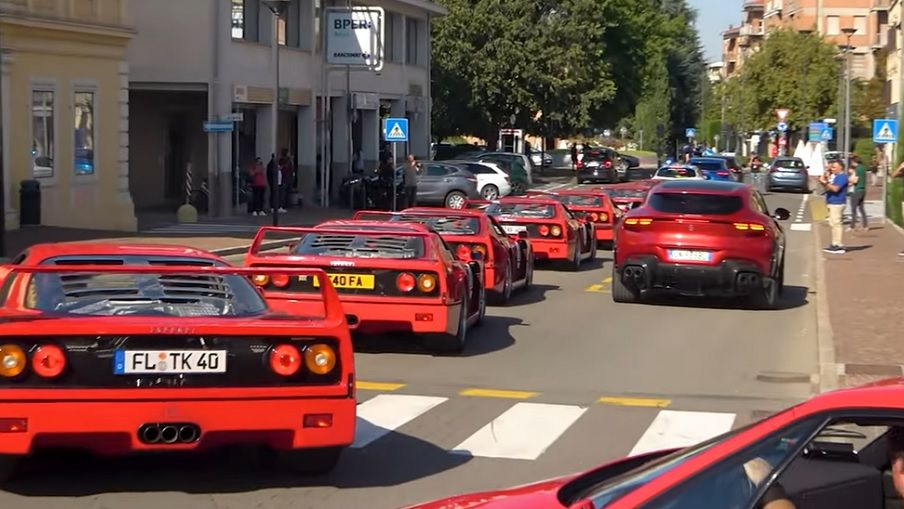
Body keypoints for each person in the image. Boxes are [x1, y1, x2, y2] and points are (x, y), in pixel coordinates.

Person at [819, 160, 849, 254]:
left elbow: (835, 189)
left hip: (837, 202)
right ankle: (834, 243)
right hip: (832, 202)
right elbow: (826, 185)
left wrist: (825, 182)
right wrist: (825, 176)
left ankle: (838, 245)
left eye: (834, 167)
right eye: (832, 167)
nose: (833, 169)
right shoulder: (835, 177)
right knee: (833, 224)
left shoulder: (842, 177)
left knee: (837, 223)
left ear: (841, 167)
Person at [848, 155, 867, 231]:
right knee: (862, 209)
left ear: (853, 161)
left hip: (856, 190)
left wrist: (849, 181)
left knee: (853, 209)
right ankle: (865, 225)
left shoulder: (858, 169)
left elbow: (855, 180)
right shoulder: (863, 168)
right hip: (863, 189)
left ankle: (852, 226)